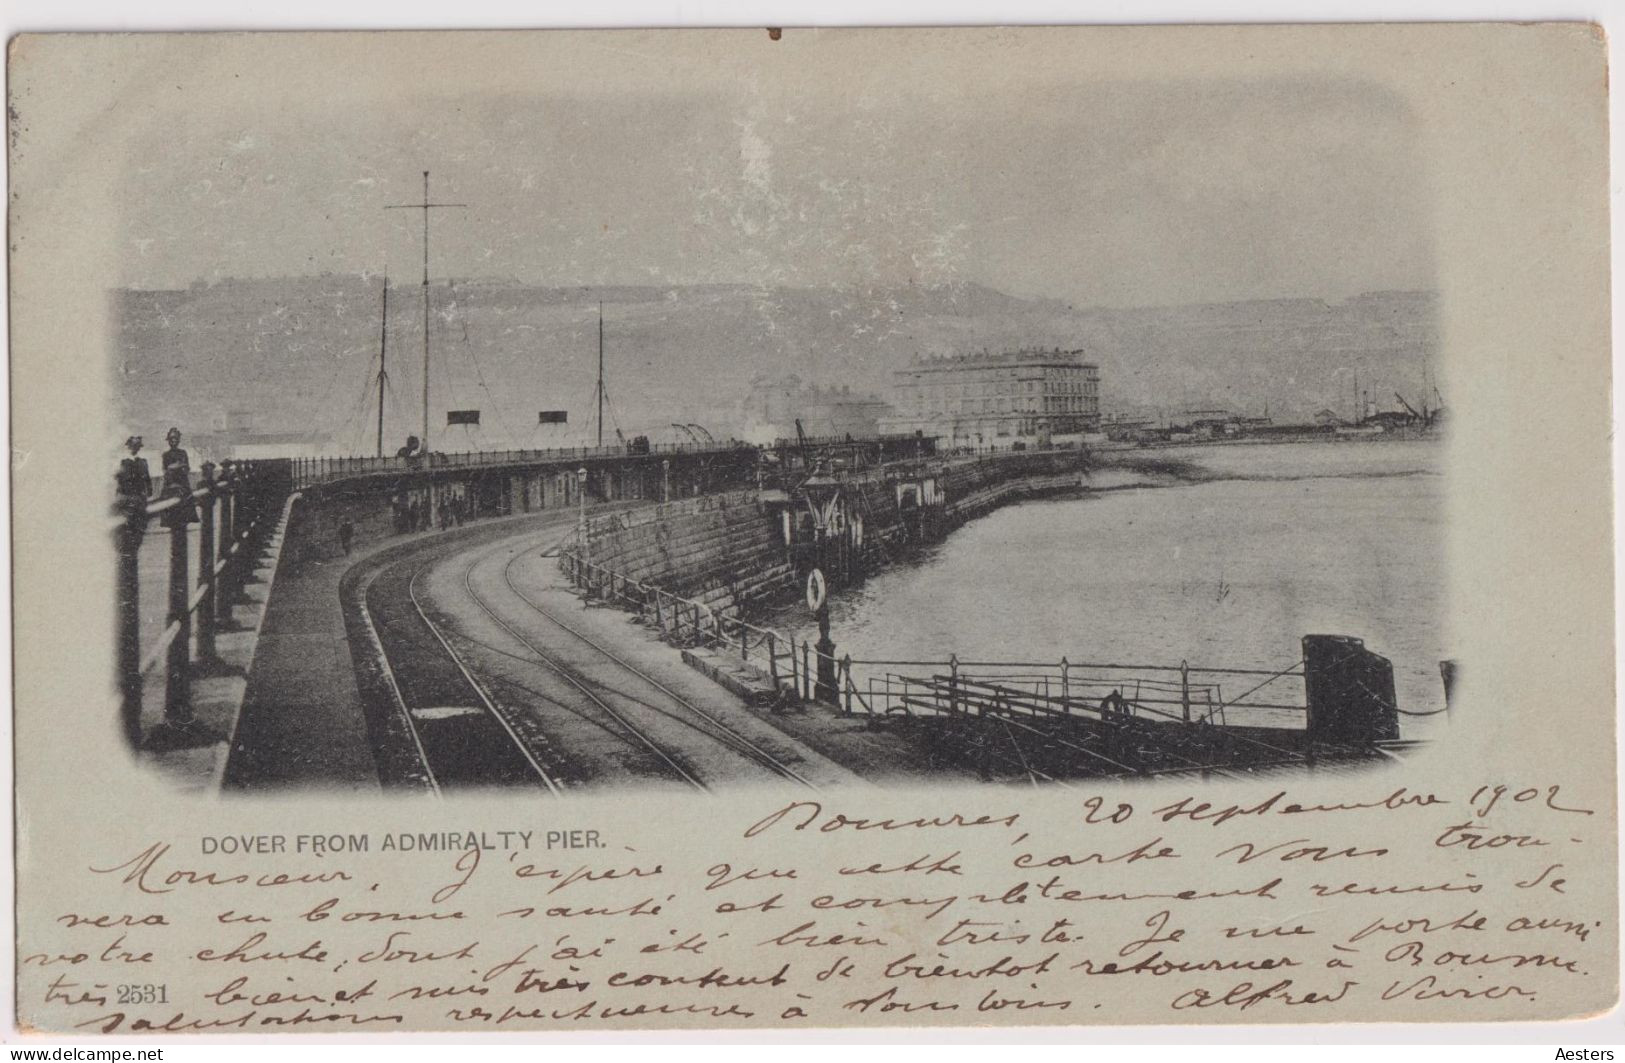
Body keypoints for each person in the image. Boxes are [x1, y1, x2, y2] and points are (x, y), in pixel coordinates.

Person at [159, 427, 198, 527]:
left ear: (178, 441)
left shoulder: (183, 453)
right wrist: (176, 467)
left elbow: (186, 467)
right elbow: (165, 469)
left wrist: (177, 467)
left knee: (186, 496)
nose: (173, 441)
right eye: (171, 440)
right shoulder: (165, 455)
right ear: (168, 441)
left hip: (182, 480)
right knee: (165, 496)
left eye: (175, 439)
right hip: (171, 481)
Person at [114, 435, 152, 519]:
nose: (134, 448)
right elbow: (120, 479)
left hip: (140, 495)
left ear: (139, 448)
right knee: (129, 518)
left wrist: (149, 490)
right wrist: (118, 491)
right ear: (129, 447)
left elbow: (147, 478)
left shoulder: (143, 462)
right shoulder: (124, 462)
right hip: (128, 495)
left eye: (136, 446)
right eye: (132, 446)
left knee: (140, 518)